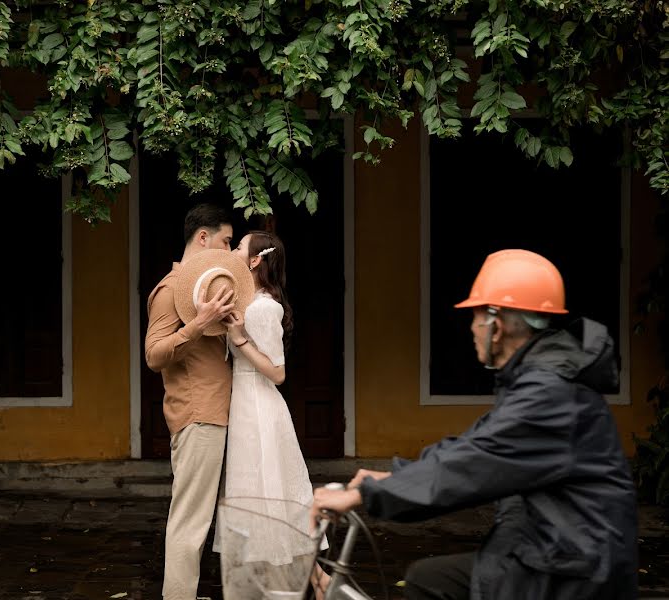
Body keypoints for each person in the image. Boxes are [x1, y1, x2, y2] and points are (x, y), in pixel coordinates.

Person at [311, 249, 639, 600]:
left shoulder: (549, 393)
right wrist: (395, 477)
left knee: (429, 580)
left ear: (494, 326)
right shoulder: (543, 379)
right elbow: (472, 445)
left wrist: (365, 494)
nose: (471, 327)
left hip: (577, 568)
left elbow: (471, 464)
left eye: (475, 316)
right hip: (560, 546)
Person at [214, 230, 330, 597]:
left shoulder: (265, 307)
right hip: (245, 405)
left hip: (260, 408)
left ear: (254, 260)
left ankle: (314, 580)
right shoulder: (247, 302)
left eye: (238, 247)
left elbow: (278, 372)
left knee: (270, 496)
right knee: (258, 498)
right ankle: (313, 582)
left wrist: (240, 339)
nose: (232, 251)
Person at [145, 203, 237, 600]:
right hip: (199, 417)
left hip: (223, 413)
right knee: (191, 521)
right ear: (203, 237)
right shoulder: (170, 290)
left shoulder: (208, 286)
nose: (230, 249)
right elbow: (153, 355)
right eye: (226, 241)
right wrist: (197, 325)